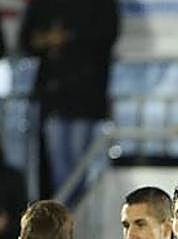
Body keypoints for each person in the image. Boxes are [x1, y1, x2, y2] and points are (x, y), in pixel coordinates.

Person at [18, 0, 119, 193]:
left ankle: (74, 214)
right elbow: (26, 40)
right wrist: (46, 39)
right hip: (53, 96)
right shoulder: (43, 5)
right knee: (59, 164)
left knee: (80, 162)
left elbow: (107, 34)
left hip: (87, 97)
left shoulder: (101, 5)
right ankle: (68, 215)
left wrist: (68, 38)